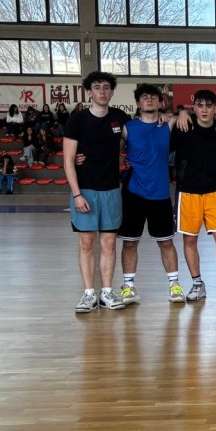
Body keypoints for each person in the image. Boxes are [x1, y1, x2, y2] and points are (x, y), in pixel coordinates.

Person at [63, 71, 131, 313]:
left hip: (111, 189)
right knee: (86, 242)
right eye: (97, 87)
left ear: (112, 92)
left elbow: (137, 137)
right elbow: (68, 160)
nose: (102, 91)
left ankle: (107, 292)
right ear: (89, 92)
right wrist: (77, 194)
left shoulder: (120, 117)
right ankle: (89, 293)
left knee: (109, 242)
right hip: (85, 190)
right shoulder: (77, 121)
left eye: (106, 87)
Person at [118, 84, 188, 305]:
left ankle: (175, 286)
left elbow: (192, 113)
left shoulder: (169, 124)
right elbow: (108, 151)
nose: (149, 100)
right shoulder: (127, 128)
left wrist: (182, 112)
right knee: (130, 243)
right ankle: (128, 287)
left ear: (161, 102)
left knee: (166, 242)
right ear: (138, 103)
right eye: (144, 97)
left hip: (160, 195)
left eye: (153, 97)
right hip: (133, 194)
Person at [172, 90, 216, 302]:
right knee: (190, 239)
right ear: (194, 108)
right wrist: (179, 114)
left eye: (209, 106)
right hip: (188, 192)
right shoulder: (182, 127)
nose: (204, 110)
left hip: (214, 191)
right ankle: (197, 284)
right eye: (200, 105)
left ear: (215, 108)